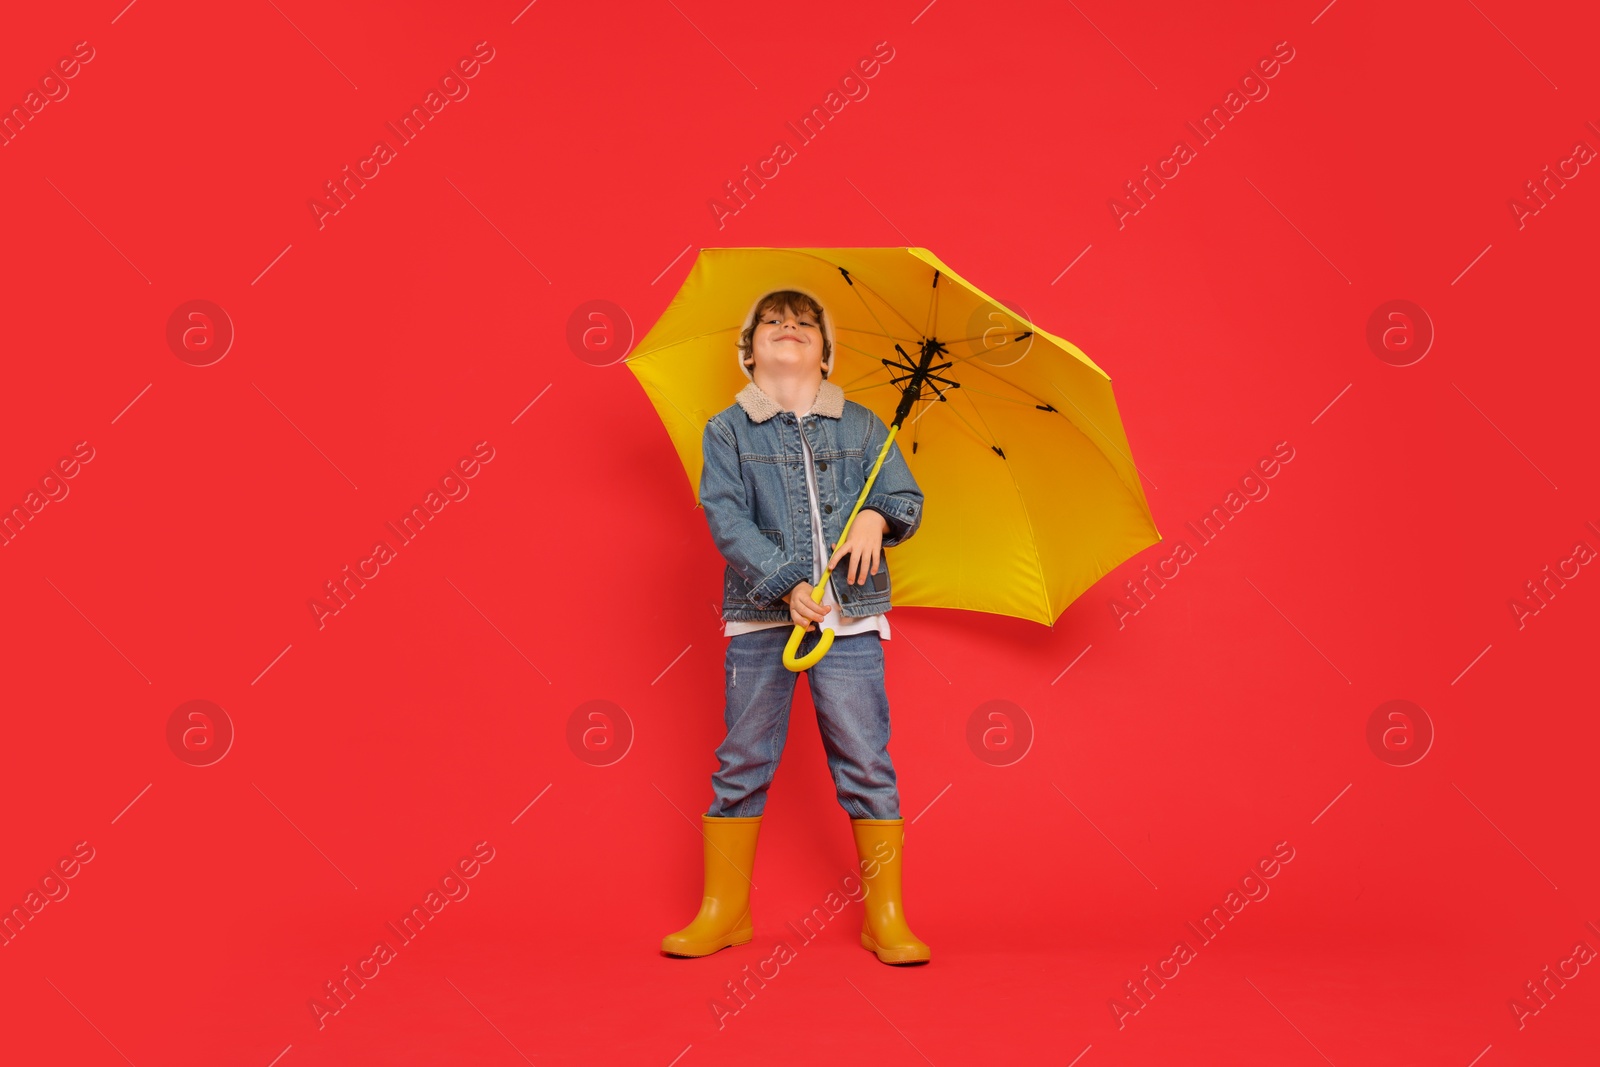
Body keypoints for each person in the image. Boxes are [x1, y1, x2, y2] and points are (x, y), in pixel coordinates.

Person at [660, 287, 931, 965]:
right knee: (742, 760)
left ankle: (886, 915)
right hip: (759, 619)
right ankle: (724, 911)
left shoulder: (866, 424)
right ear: (748, 352)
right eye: (773, 323)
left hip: (852, 620)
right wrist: (786, 584)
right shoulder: (726, 430)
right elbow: (725, 516)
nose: (789, 328)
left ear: (827, 353)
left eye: (804, 324)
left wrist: (877, 517)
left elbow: (904, 496)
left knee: (867, 762)